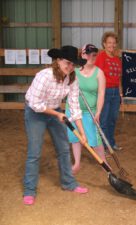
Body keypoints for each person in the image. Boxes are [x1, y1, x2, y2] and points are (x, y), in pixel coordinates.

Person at [23, 46, 89, 205]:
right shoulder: (44, 76)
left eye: (73, 64)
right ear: (58, 60)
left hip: (55, 111)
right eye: (68, 63)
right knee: (35, 151)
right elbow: (36, 104)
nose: (70, 67)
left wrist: (82, 133)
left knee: (64, 149)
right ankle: (29, 190)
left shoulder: (72, 79)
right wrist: (57, 114)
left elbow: (74, 106)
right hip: (35, 112)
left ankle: (69, 183)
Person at [66, 44, 108, 173]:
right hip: (73, 110)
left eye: (94, 54)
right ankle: (77, 163)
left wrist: (99, 112)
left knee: (95, 138)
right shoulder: (74, 72)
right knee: (75, 137)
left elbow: (101, 93)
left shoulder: (99, 73)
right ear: (82, 55)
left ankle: (104, 163)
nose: (91, 57)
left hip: (91, 111)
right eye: (88, 53)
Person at [94, 31, 122, 151]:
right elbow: (96, 75)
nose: (112, 45)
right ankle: (104, 146)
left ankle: (111, 142)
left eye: (114, 43)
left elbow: (119, 78)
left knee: (112, 119)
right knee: (104, 119)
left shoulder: (117, 59)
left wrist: (120, 93)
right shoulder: (101, 57)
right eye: (109, 42)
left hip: (115, 92)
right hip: (105, 91)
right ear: (104, 44)